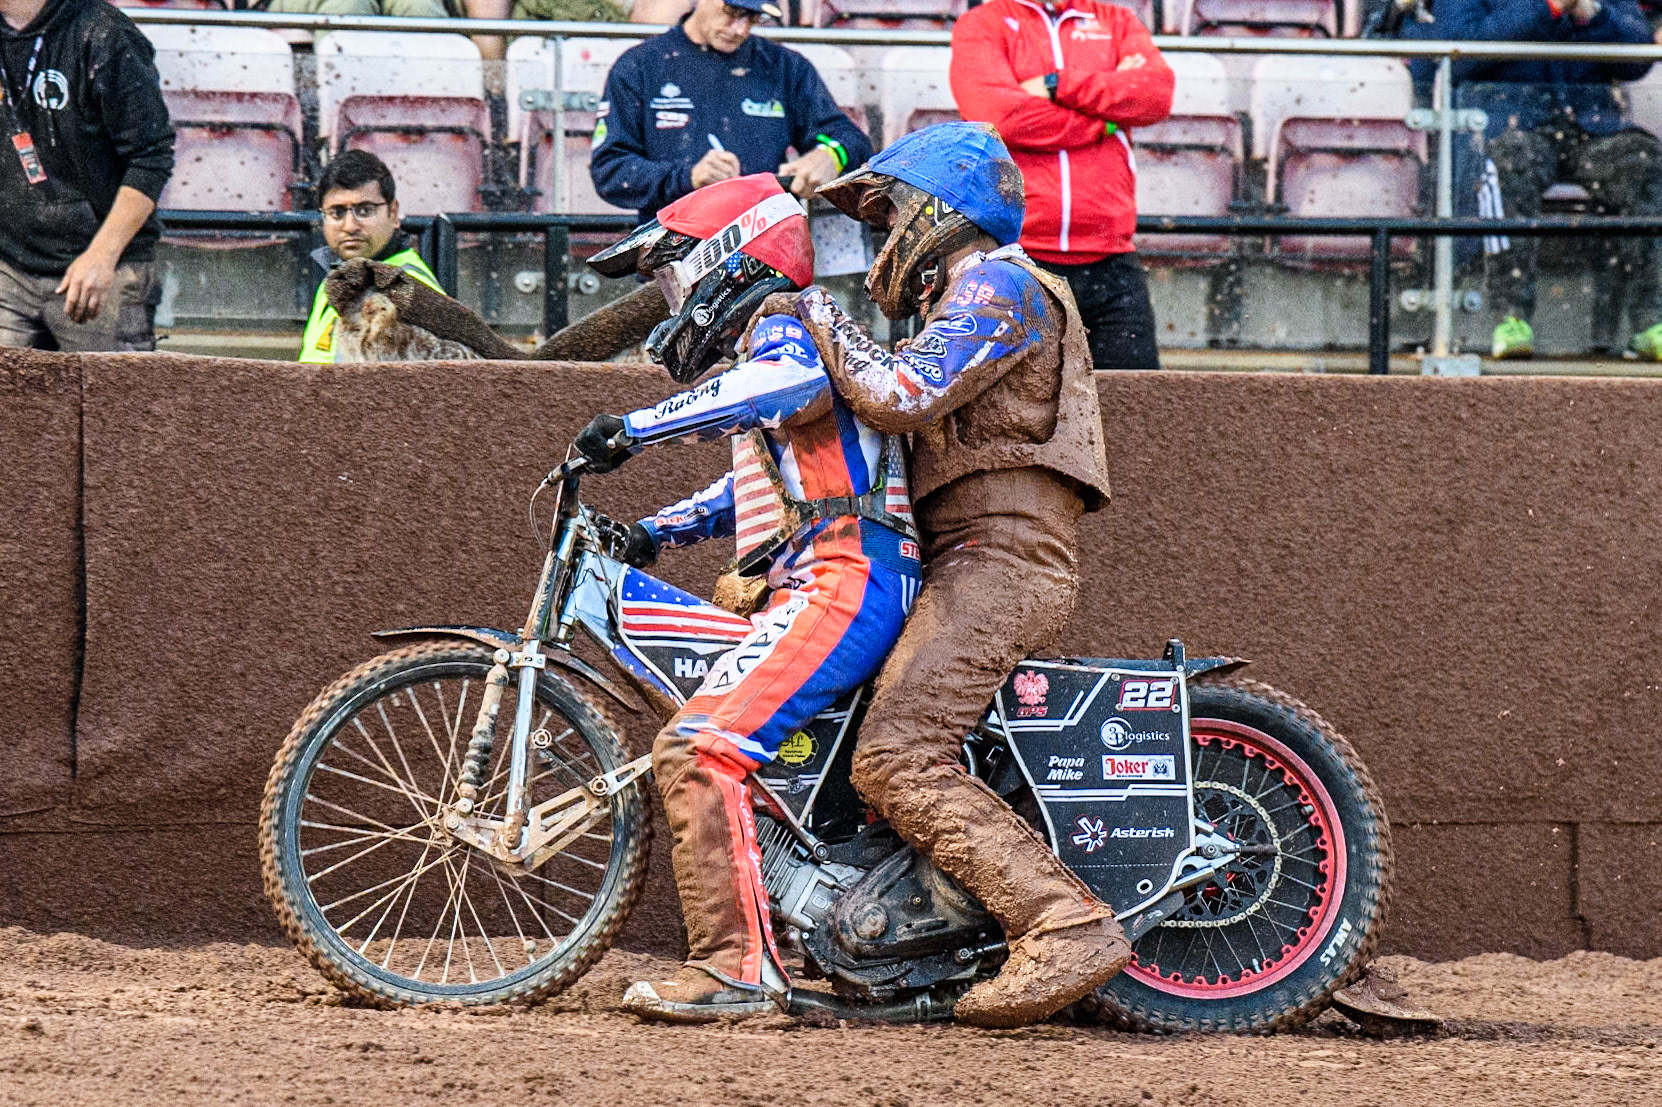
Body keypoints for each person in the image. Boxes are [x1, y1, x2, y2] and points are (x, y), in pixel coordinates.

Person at [790, 122, 1129, 1029]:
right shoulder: (962, 294)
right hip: (969, 557)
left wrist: (813, 312)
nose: (878, 232)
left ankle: (1064, 924)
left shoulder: (1001, 281)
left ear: (939, 208)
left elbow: (900, 393)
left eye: (889, 209)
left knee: (898, 755)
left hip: (1002, 559)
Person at [568, 174, 921, 1022]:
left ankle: (736, 966)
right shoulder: (779, 344)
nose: (670, 299)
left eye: (675, 274)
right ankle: (787, 928)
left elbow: (775, 390)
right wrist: (655, 533)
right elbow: (751, 486)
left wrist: (637, 427)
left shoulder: (786, 328)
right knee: (751, 756)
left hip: (849, 572)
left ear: (729, 260)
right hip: (835, 568)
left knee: (699, 747)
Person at [1379, 0, 1661, 359]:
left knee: (1645, 163)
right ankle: (1510, 320)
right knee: (1507, 162)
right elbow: (1461, 50)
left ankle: (1651, 321)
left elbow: (1640, 56)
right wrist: (1547, 8)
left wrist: (1593, 15)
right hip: (1512, 127)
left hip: (1592, 128)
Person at [949, 0, 1173, 371]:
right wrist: (1105, 122)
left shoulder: (1116, 21)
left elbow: (1155, 94)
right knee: (1014, 414)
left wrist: (1055, 85)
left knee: (1135, 411)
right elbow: (1001, 116)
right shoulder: (983, 24)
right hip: (1018, 261)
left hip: (1111, 264)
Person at [589, 0, 873, 221]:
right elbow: (611, 172)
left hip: (768, 259)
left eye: (752, 17)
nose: (740, 29)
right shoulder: (640, 67)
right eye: (731, 11)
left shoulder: (784, 68)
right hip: (671, 256)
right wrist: (689, 177)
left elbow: (853, 141)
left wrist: (830, 154)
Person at [0, 0, 173, 352]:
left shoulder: (104, 33)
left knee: (109, 403)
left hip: (102, 265)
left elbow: (151, 156)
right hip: (10, 265)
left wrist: (102, 255)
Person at [300, 150, 443, 364]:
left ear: (393, 214)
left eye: (365, 210)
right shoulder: (336, 281)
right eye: (337, 212)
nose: (349, 226)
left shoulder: (406, 288)